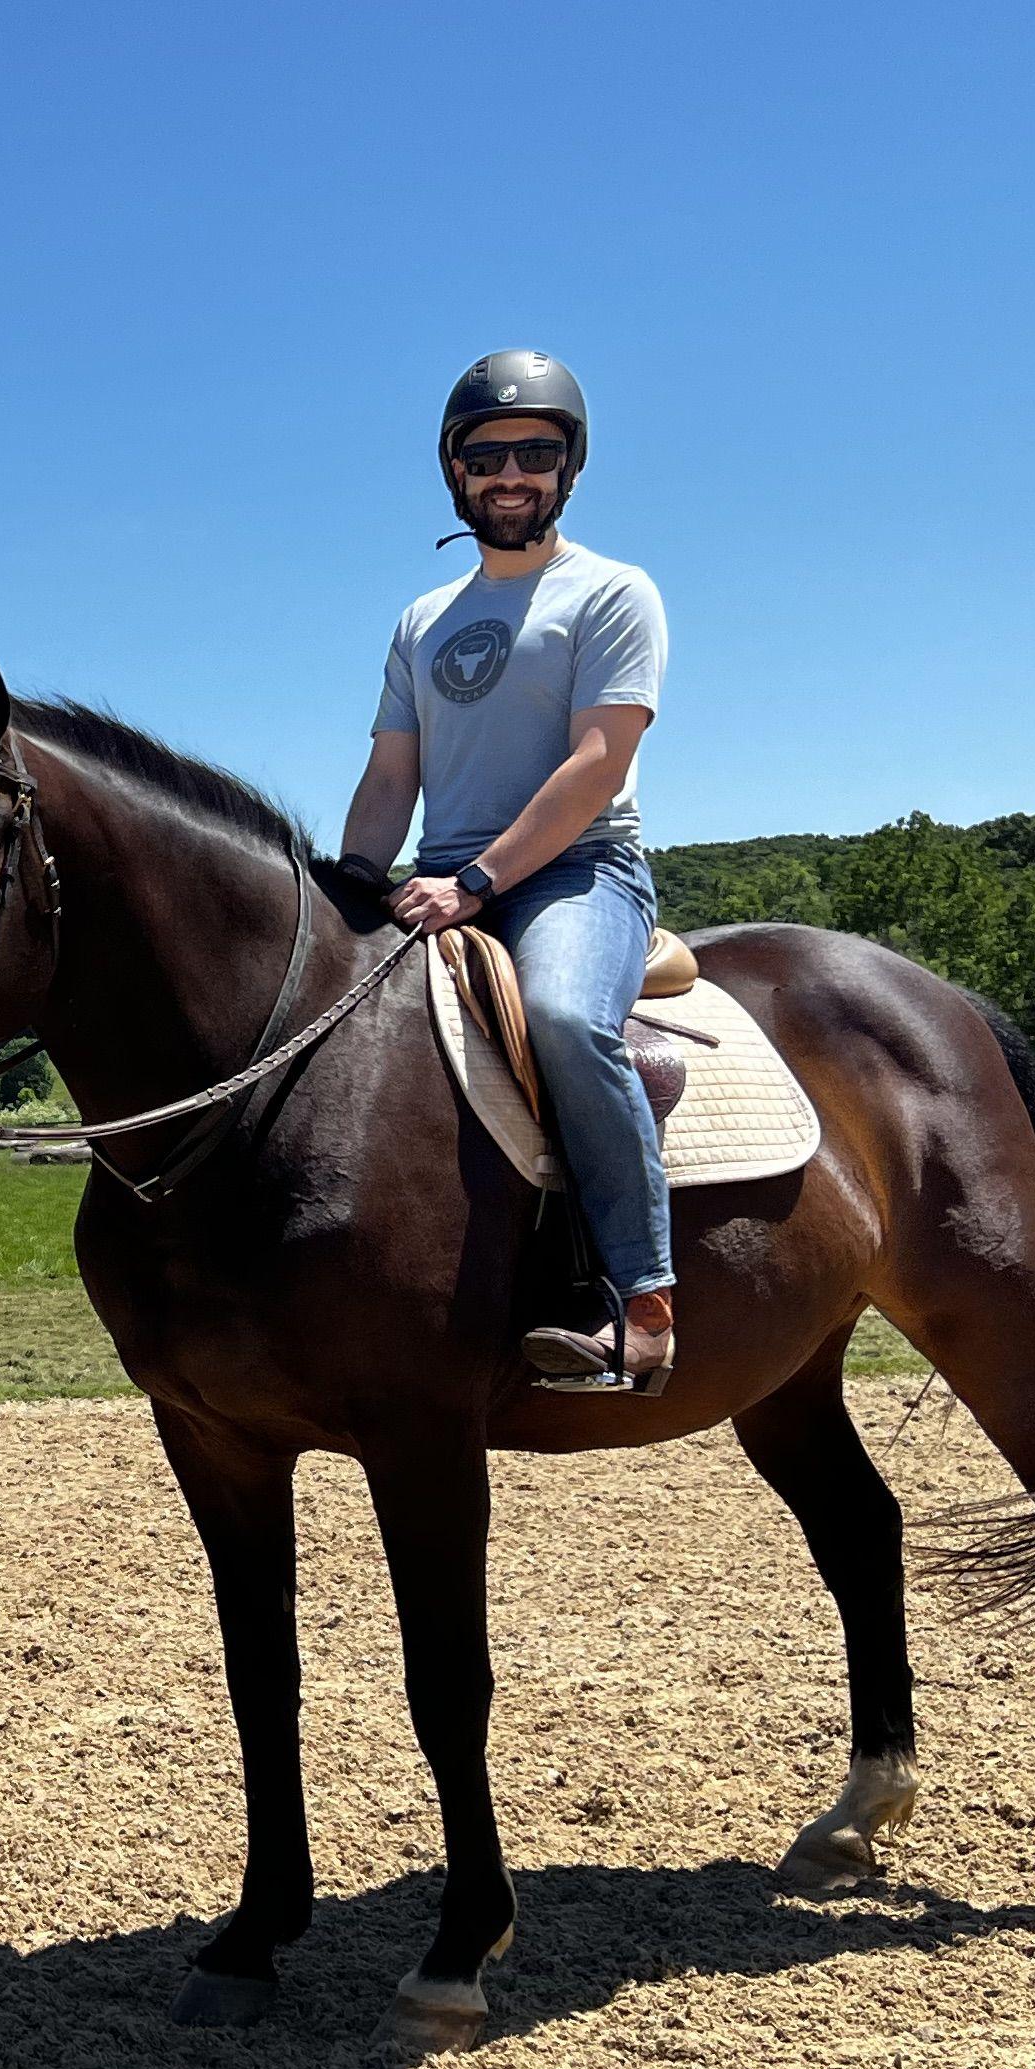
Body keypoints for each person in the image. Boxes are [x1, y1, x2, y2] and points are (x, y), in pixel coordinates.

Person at [335, 351, 676, 1394]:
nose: (510, 473)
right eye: (488, 457)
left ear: (568, 468)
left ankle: (640, 1297)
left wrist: (475, 884)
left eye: (536, 453)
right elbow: (393, 773)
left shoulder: (614, 593)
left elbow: (595, 766)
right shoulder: (422, 620)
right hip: (438, 876)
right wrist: (346, 887)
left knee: (566, 1019)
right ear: (455, 472)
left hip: (577, 874)